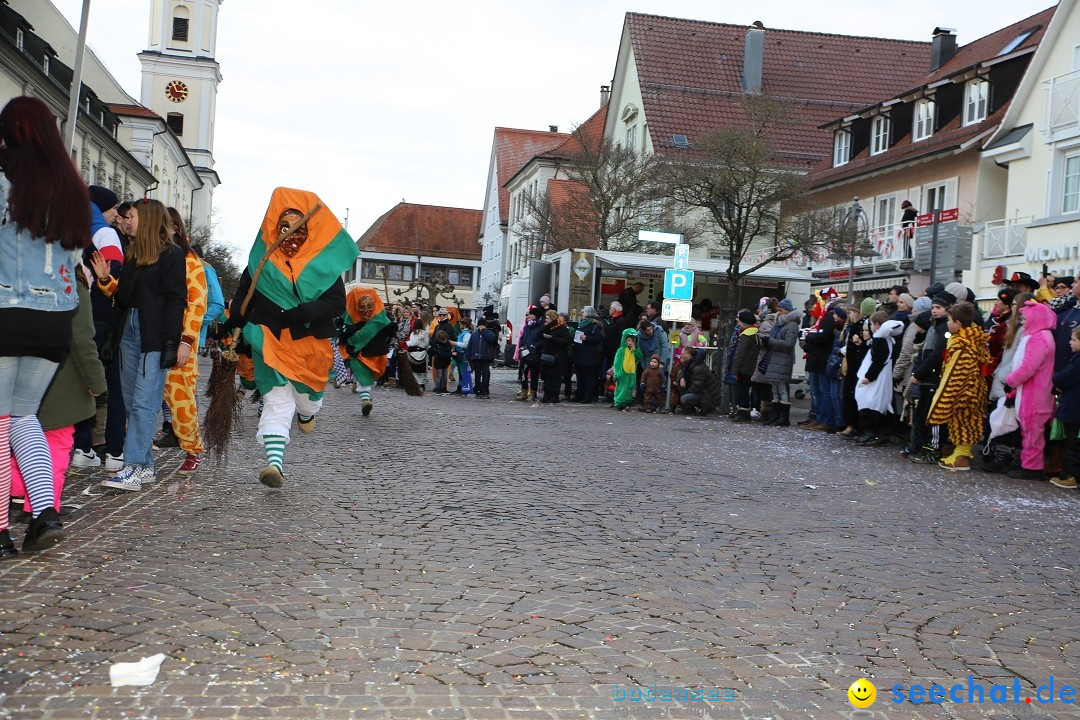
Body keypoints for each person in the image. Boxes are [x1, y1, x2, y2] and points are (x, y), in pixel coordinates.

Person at [0, 96, 92, 554]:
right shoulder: (73, 189)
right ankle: (45, 512)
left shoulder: (4, 182)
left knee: (1, 423)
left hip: (5, 310)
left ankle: (0, 532)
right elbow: (76, 258)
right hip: (54, 317)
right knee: (23, 417)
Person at [221, 188, 358, 488]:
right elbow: (244, 298)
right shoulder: (261, 261)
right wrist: (233, 327)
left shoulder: (324, 270)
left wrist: (301, 312)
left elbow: (336, 305)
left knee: (307, 401)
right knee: (276, 400)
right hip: (269, 339)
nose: (290, 236)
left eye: (296, 229)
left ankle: (307, 414)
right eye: (284, 227)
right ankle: (274, 465)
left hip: (310, 344)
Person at [91, 199, 187, 492]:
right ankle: (144, 466)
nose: (124, 221)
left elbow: (176, 300)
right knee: (134, 401)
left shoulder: (172, 254)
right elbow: (123, 298)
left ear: (145, 219)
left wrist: (172, 343)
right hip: (129, 333)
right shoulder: (134, 255)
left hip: (153, 336)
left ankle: (132, 467)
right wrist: (111, 335)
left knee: (145, 402)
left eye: (130, 216)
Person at [9, 269, 105, 522]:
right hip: (58, 378)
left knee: (18, 435)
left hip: (16, 372)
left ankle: (18, 495)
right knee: (55, 443)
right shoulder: (70, 282)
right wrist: (97, 383)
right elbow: (83, 339)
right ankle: (43, 509)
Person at [71, 186, 128, 472]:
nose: (116, 214)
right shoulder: (105, 234)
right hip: (104, 318)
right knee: (115, 387)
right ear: (100, 207)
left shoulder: (69, 229)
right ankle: (114, 452)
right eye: (112, 208)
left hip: (76, 317)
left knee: (82, 385)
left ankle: (82, 448)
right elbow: (113, 274)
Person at [152, 207, 208, 474]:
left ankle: (192, 449)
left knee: (180, 400)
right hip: (151, 337)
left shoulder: (190, 261)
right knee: (142, 399)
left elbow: (198, 304)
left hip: (179, 343)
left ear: (174, 228)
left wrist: (186, 341)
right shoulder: (151, 256)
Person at [928, 302, 991, 471]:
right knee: (967, 421)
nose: (947, 323)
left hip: (964, 390)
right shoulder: (974, 337)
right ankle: (961, 452)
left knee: (963, 421)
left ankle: (962, 456)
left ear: (957, 323)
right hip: (974, 387)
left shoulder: (961, 344)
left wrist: (944, 398)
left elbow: (955, 372)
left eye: (949, 319)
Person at [1003, 300, 1057, 480]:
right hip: (1030, 391)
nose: (1022, 321)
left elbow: (1029, 366)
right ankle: (1029, 463)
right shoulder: (1036, 336)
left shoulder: (1040, 338)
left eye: (1025, 317)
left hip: (1034, 393)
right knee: (1030, 430)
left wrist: (1011, 381)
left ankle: (1032, 466)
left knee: (1032, 431)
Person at [337, 285, 397, 414]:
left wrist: (392, 326)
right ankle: (365, 400)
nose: (366, 311)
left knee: (367, 376)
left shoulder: (381, 317)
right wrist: (355, 327)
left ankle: (363, 394)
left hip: (374, 351)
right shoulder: (348, 317)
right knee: (363, 375)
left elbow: (389, 331)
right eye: (362, 307)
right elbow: (341, 332)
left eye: (369, 306)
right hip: (357, 352)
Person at [853, 312, 905, 446]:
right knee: (872, 403)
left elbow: (878, 360)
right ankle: (875, 433)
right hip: (879, 377)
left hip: (874, 378)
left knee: (868, 403)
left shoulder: (879, 339)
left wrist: (869, 377)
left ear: (876, 325)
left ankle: (871, 433)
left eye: (870, 324)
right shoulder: (884, 339)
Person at [761, 299, 802, 427]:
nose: (778, 313)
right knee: (775, 389)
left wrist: (770, 341)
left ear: (787, 311)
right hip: (776, 358)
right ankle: (775, 416)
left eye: (781, 310)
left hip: (783, 359)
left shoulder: (792, 325)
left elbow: (789, 344)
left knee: (782, 389)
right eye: (778, 310)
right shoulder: (780, 324)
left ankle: (783, 418)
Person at [1050, 326, 1080, 489]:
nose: (1070, 342)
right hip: (1074, 406)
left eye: (1074, 339)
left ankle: (1072, 476)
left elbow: (1063, 377)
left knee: (1073, 443)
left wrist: (1057, 381)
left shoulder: (1078, 360)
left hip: (1074, 408)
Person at [730, 310, 760, 422]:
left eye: (740, 322)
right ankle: (743, 412)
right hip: (749, 366)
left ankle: (743, 413)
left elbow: (739, 355)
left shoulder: (746, 336)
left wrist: (734, 370)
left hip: (743, 368)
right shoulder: (754, 333)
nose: (738, 324)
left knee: (742, 390)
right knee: (744, 390)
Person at [676, 346, 723, 415]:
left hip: (708, 397)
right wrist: (681, 378)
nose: (680, 356)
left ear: (689, 357)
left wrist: (685, 393)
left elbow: (696, 386)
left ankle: (705, 408)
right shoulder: (689, 365)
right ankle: (688, 408)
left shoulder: (699, 368)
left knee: (685, 398)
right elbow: (682, 371)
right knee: (680, 385)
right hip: (703, 394)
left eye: (683, 354)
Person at [572, 306, 604, 403]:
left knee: (589, 377)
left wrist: (587, 338)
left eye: (583, 311)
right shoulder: (581, 323)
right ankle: (580, 394)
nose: (581, 313)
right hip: (579, 353)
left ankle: (588, 396)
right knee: (580, 376)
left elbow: (598, 338)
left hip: (589, 354)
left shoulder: (595, 325)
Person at [539, 311, 571, 403]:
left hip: (558, 356)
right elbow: (539, 334)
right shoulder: (547, 328)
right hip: (547, 355)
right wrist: (547, 326)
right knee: (547, 376)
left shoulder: (562, 328)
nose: (546, 320)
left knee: (555, 377)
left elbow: (566, 341)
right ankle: (547, 394)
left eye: (548, 318)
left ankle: (554, 395)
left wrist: (552, 339)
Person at [516, 306, 546, 401]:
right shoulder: (527, 326)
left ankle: (533, 393)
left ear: (536, 316)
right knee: (523, 372)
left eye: (531, 314)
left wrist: (535, 346)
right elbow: (522, 337)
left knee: (534, 374)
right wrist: (521, 346)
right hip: (525, 352)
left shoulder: (541, 326)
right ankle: (524, 391)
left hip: (535, 353)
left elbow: (543, 340)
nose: (529, 316)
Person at [610, 328, 641, 411]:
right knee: (622, 388)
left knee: (629, 388)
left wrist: (635, 350)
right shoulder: (621, 350)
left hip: (631, 372)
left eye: (632, 340)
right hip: (623, 372)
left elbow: (639, 357)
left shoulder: (634, 350)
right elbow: (617, 363)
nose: (630, 342)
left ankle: (627, 402)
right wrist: (617, 373)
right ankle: (619, 403)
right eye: (629, 340)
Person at [467, 316, 498, 398]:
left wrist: (483, 332)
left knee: (485, 374)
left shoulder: (489, 333)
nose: (481, 327)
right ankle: (478, 390)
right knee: (477, 375)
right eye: (479, 325)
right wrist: (469, 356)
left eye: (482, 325)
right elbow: (470, 346)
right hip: (476, 357)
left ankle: (485, 390)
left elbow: (492, 339)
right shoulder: (474, 335)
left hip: (486, 357)